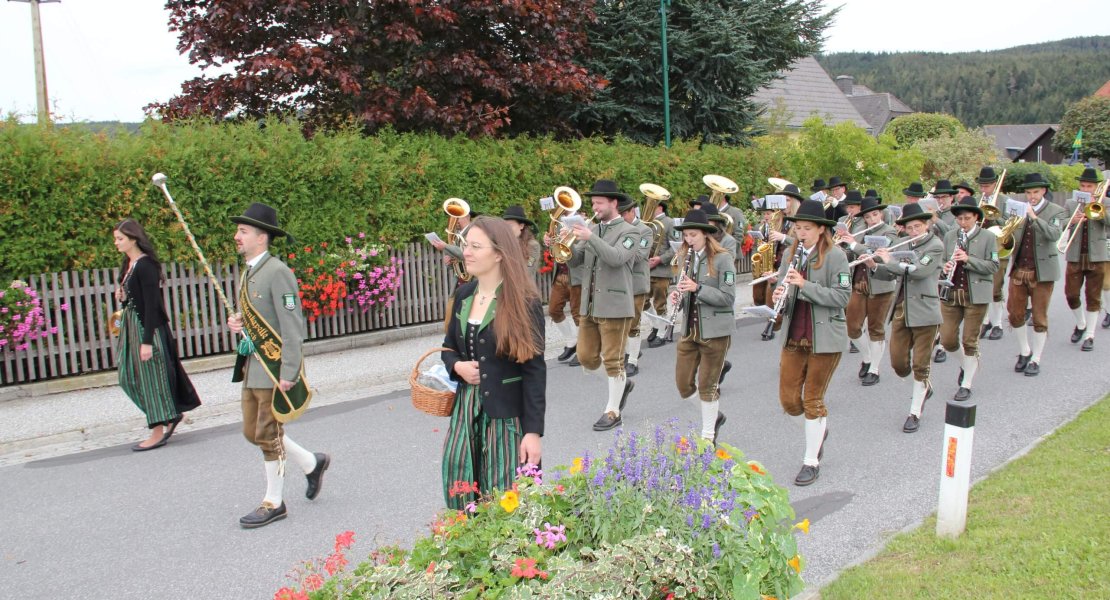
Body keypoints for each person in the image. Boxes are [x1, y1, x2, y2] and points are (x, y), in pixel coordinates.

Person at [227, 203, 329, 529]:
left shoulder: (277, 271)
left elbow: (292, 325)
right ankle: (312, 463)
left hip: (272, 369)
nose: (237, 236)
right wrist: (239, 322)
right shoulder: (250, 271)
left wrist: (289, 371)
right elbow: (262, 316)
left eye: (243, 231)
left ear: (261, 237)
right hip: (253, 368)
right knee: (253, 432)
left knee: (268, 435)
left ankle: (274, 501)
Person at [440, 216, 546, 508]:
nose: (467, 252)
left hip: (507, 417)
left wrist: (533, 432)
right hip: (466, 412)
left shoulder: (524, 301)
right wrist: (457, 367)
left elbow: (535, 371)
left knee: (507, 494)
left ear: (499, 253)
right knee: (460, 485)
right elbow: (448, 349)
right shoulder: (463, 296)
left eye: (476, 246)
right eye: (466, 246)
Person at [771, 199, 851, 487]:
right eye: (797, 228)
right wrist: (778, 294)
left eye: (806, 229)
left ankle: (811, 460)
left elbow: (841, 298)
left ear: (820, 230)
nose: (800, 233)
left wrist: (804, 286)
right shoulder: (791, 253)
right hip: (795, 333)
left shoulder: (836, 256)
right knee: (789, 400)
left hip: (824, 336)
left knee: (812, 400)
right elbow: (782, 286)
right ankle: (816, 432)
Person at [113, 220, 201, 451]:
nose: (116, 243)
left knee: (151, 381)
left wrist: (147, 342)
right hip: (131, 326)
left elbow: (153, 305)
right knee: (127, 376)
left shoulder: (146, 265)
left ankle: (157, 430)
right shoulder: (128, 264)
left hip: (147, 328)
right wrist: (122, 296)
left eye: (120, 238)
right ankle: (169, 414)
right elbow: (133, 298)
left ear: (133, 238)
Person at [566, 180, 640, 431]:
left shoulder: (630, 231)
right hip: (590, 304)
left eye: (599, 203)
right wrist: (562, 249)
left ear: (613, 203)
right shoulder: (592, 229)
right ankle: (621, 385)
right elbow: (577, 260)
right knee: (586, 357)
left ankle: (613, 410)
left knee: (613, 359)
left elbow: (617, 258)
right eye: (593, 203)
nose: (595, 207)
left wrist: (590, 238)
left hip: (615, 304)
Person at [868, 203, 945, 433]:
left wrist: (891, 260)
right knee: (899, 364)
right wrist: (874, 265)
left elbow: (919, 271)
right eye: (910, 228)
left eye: (917, 226)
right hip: (902, 309)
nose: (913, 231)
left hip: (926, 311)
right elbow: (892, 272)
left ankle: (914, 411)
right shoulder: (905, 244)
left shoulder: (935, 245)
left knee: (920, 365)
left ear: (927, 224)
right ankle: (925, 387)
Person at [670, 209, 734, 443]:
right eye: (686, 235)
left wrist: (698, 289)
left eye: (693, 235)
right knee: (683, 385)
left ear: (706, 234)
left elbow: (728, 297)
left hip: (715, 331)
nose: (689, 240)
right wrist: (679, 297)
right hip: (690, 330)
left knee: (707, 385)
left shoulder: (722, 258)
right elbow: (687, 290)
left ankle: (707, 436)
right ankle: (714, 416)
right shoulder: (687, 258)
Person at [1005, 173, 1066, 376]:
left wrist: (1033, 217)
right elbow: (1009, 237)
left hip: (1043, 272)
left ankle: (1036, 358)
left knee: (1039, 317)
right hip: (1019, 269)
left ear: (1044, 191)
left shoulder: (1057, 211)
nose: (1031, 196)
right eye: (1029, 192)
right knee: (1015, 314)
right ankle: (1024, 351)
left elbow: (1054, 235)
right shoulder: (1018, 210)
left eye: (1036, 192)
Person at [938, 198, 999, 401]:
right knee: (947, 339)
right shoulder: (949, 236)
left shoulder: (988, 237)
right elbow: (942, 260)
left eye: (967, 218)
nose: (963, 222)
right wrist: (944, 266)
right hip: (951, 293)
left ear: (976, 218)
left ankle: (966, 383)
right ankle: (967, 364)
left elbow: (993, 266)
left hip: (976, 295)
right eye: (960, 219)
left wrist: (968, 260)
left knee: (970, 341)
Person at [837, 195, 899, 386]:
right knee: (852, 327)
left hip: (880, 286)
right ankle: (867, 358)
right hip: (858, 283)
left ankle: (874, 369)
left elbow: (881, 257)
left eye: (875, 215)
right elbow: (849, 255)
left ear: (880, 213)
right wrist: (839, 248)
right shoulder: (860, 230)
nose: (872, 219)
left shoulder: (890, 232)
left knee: (875, 329)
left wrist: (854, 244)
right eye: (868, 217)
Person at [1061, 168, 1106, 351]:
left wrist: (1099, 209)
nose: (1086, 189)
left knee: (1093, 297)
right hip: (1075, 256)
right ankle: (1081, 324)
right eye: (1083, 186)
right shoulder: (1071, 204)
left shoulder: (1106, 202)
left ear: (1096, 188)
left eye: (1089, 186)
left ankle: (1090, 336)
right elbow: (1061, 223)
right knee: (1071, 294)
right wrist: (1072, 220)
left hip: (1097, 256)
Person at [618, 196, 654, 376]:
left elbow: (640, 254)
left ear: (632, 211)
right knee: (621, 321)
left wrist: (617, 254)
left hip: (636, 282)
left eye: (624, 213)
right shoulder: (618, 228)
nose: (621, 217)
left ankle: (632, 361)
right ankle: (628, 353)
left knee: (633, 322)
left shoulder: (644, 230)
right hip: (619, 281)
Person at [543, 213, 585, 366]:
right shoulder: (561, 227)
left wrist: (570, 237)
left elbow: (578, 253)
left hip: (576, 278)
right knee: (553, 310)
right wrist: (549, 241)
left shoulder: (584, 226)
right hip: (560, 276)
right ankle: (571, 341)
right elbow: (556, 251)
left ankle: (582, 349)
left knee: (577, 314)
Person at [976, 167, 1010, 341]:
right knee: (981, 286)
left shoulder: (1005, 201)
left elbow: (1010, 224)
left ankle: (997, 324)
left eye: (987, 186)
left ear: (995, 185)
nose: (984, 190)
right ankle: (986, 321)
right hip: (980, 248)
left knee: (996, 288)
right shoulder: (977, 200)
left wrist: (994, 216)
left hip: (999, 247)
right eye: (982, 186)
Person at [646, 200, 677, 348]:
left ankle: (661, 331)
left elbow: (676, 247)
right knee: (643, 302)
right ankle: (656, 324)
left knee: (660, 303)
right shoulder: (647, 223)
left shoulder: (669, 222)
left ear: (659, 207)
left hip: (661, 270)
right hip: (645, 269)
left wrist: (660, 259)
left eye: (651, 205)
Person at [501, 205, 542, 281]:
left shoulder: (533, 245)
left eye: (510, 225)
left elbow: (529, 268)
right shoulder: (503, 243)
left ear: (521, 226)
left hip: (522, 289)